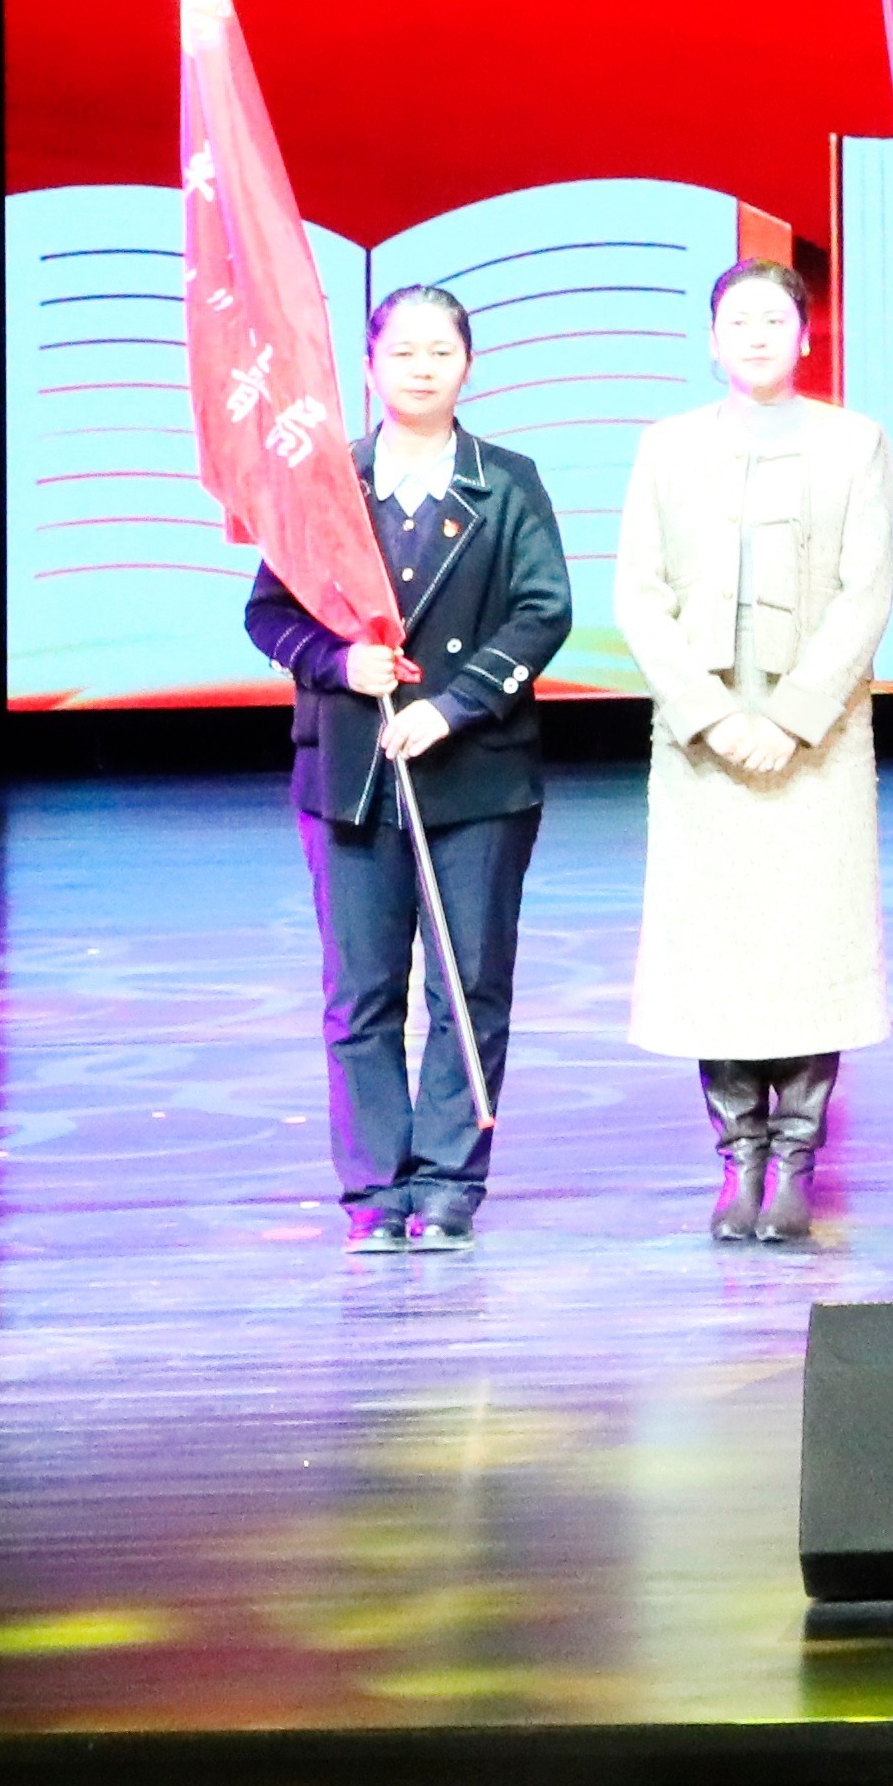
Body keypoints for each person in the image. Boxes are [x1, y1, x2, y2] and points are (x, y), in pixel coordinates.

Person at [246, 282, 573, 1251]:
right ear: (369, 365)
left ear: (467, 364)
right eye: (403, 351)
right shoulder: (325, 485)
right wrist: (337, 662)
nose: (422, 368)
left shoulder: (506, 481)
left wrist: (453, 705)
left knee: (468, 986)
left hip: (478, 773)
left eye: (441, 351)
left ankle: (448, 1182)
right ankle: (374, 1190)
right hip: (349, 769)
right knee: (360, 991)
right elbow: (268, 613)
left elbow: (543, 609)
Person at [614, 259, 893, 1243]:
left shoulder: (856, 442)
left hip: (815, 742)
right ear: (711, 338)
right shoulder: (666, 446)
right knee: (720, 950)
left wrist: (791, 716)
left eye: (775, 318)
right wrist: (711, 712)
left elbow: (867, 592)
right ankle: (738, 1159)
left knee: (809, 944)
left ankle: (797, 1161)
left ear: (805, 335)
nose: (757, 333)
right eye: (738, 319)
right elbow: (639, 595)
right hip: (703, 746)